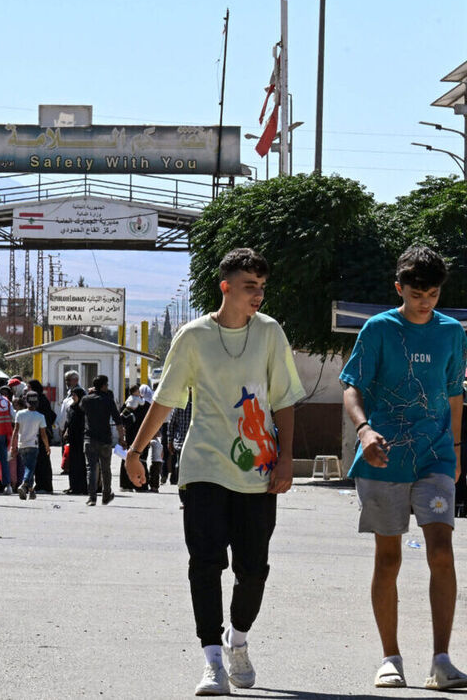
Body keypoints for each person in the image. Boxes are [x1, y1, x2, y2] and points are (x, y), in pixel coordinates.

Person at [126, 247, 304, 696]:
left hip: (258, 470)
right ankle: (211, 662)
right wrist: (135, 451)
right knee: (205, 564)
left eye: (262, 288)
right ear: (226, 287)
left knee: (254, 569)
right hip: (203, 465)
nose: (258, 296)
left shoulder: (269, 333)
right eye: (249, 287)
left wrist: (285, 459)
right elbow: (165, 399)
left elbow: (283, 398)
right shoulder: (193, 337)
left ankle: (237, 640)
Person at [339, 246, 467, 691]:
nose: (425, 302)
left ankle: (442, 660)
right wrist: (364, 431)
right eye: (417, 293)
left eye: (433, 294)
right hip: (383, 457)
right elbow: (352, 388)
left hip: (434, 456)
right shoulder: (378, 329)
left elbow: (454, 394)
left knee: (441, 551)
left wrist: (454, 450)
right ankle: (390, 658)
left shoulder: (452, 333)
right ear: (399, 288)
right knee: (389, 557)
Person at [81, 375, 125, 506]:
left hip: (89, 438)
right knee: (106, 469)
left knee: (91, 468)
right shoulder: (108, 400)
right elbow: (118, 421)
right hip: (105, 440)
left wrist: (90, 393)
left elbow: (81, 408)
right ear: (104, 386)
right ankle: (106, 495)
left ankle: (92, 497)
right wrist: (122, 438)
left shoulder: (86, 399)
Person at [10, 393, 51, 500]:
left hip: (21, 445)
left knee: (28, 467)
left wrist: (12, 445)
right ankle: (24, 485)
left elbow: (15, 431)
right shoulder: (40, 416)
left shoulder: (20, 414)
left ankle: (31, 491)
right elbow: (43, 434)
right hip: (33, 445)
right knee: (30, 467)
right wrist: (47, 446)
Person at [26, 380, 56, 493]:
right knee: (40, 461)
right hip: (39, 433)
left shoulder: (39, 400)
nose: (28, 389)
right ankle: (41, 485)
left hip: (41, 433)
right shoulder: (42, 399)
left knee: (42, 461)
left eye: (29, 387)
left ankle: (44, 486)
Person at [59, 386, 88, 496]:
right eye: (72, 395)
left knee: (81, 464)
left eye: (75, 395)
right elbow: (68, 421)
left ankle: (82, 487)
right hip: (72, 438)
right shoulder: (71, 407)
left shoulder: (83, 409)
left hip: (80, 438)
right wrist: (66, 431)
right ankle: (73, 486)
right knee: (72, 464)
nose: (73, 397)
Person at [0, 384, 16, 494]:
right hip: (4, 433)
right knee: (4, 460)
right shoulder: (6, 400)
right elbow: (13, 416)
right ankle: (8, 485)